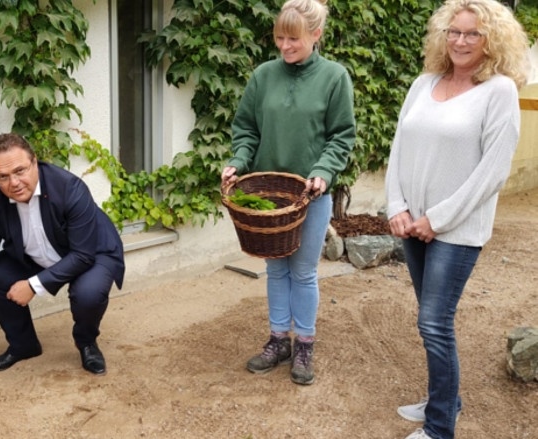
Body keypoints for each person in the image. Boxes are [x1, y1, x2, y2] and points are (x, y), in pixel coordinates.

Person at [384, 1, 529, 437]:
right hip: (412, 224)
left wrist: (438, 218)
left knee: (433, 321)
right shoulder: (423, 83)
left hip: (456, 230)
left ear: (492, 41)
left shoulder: (499, 91)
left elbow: (492, 172)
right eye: (454, 31)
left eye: (473, 34)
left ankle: (440, 426)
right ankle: (446, 398)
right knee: (430, 319)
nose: (460, 41)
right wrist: (396, 206)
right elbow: (399, 148)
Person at [221, 0, 355, 385]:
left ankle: (305, 344)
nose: (284, 46)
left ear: (315, 34)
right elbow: (246, 128)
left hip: (310, 196)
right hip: (269, 196)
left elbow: (341, 135)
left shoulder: (334, 77)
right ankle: (279, 339)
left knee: (303, 271)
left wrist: (323, 171)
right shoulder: (263, 76)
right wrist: (238, 160)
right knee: (275, 268)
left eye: (293, 38)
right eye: (279, 37)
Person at [0, 133, 125, 375]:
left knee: (88, 293)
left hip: (90, 252)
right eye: (2, 177)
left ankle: (86, 342)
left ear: (35, 162)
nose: (14, 183)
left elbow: (82, 255)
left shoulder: (69, 188)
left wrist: (33, 285)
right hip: (36, 255)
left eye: (20, 170)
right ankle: (24, 346)